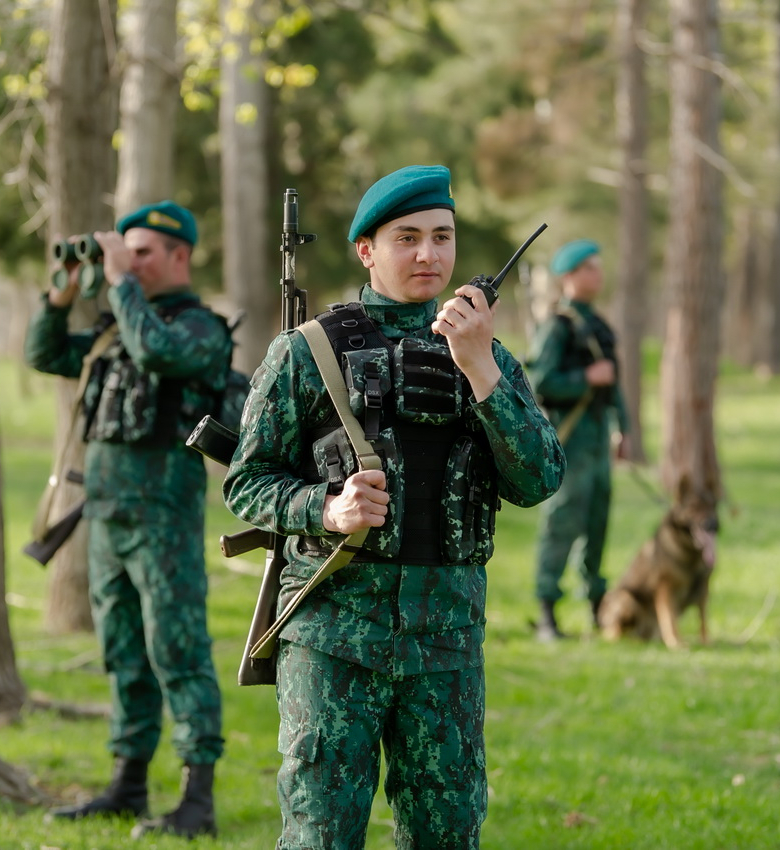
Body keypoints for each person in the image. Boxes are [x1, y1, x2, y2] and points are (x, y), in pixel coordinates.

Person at [223, 165, 565, 849]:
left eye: (442, 238)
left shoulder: (488, 357)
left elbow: (539, 480)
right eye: (407, 238)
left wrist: (479, 369)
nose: (428, 255)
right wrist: (326, 508)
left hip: (445, 643)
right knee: (321, 834)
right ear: (366, 251)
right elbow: (246, 482)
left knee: (447, 833)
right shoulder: (305, 353)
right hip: (333, 637)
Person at [25, 201, 226, 838]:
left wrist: (116, 286)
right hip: (106, 518)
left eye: (142, 253)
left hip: (163, 519)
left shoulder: (200, 330)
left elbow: (160, 353)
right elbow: (44, 354)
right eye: (125, 251)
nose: (129, 263)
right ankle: (128, 783)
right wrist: (60, 299)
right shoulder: (117, 331)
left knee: (178, 650)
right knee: (122, 652)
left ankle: (198, 797)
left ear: (180, 257)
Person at [528, 239, 632, 641]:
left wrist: (622, 428)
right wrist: (585, 379)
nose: (597, 274)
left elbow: (614, 383)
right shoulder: (558, 325)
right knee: (562, 522)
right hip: (569, 439)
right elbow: (539, 381)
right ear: (568, 276)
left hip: (598, 437)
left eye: (598, 266)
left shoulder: (599, 324)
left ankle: (597, 607)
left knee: (597, 521)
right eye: (589, 267)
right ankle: (546, 614)